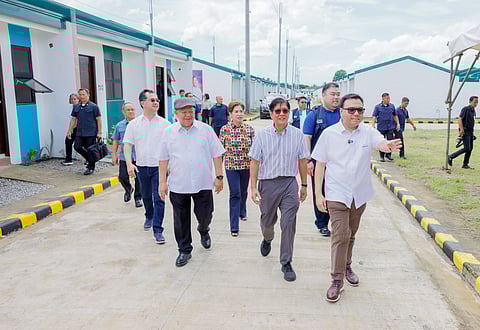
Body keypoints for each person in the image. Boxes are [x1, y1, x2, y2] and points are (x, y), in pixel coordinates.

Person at [312, 93, 402, 303]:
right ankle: (336, 280)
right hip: (336, 193)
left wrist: (387, 146)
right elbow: (320, 165)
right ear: (341, 111)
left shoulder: (367, 132)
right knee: (340, 235)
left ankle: (347, 265)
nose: (356, 114)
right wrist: (318, 194)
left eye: (360, 110)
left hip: (359, 194)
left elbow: (380, 142)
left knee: (351, 234)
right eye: (351, 110)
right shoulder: (329, 134)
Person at [159, 98, 225, 267]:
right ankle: (184, 250)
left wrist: (219, 177)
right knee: (180, 220)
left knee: (205, 214)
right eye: (183, 112)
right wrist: (162, 182)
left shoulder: (206, 130)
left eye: (190, 111)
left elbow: (217, 154)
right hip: (178, 184)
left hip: (202, 183)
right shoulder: (169, 132)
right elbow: (163, 159)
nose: (188, 115)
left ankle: (204, 230)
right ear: (176, 114)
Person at [249, 97, 309, 282]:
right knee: (268, 221)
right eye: (278, 111)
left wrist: (304, 185)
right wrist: (253, 188)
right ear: (272, 114)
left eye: (285, 111)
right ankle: (267, 239)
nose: (282, 114)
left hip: (290, 184)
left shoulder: (297, 134)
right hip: (268, 184)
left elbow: (302, 160)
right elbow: (255, 161)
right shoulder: (262, 135)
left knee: (288, 223)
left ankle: (286, 262)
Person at [124, 89, 169, 244]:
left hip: (159, 168)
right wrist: (129, 163)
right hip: (142, 167)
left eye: (157, 100)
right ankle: (149, 215)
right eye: (152, 100)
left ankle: (158, 229)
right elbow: (128, 145)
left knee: (159, 198)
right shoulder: (134, 124)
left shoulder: (165, 124)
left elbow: (170, 147)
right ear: (143, 103)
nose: (156, 102)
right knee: (145, 196)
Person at [303, 82, 341, 237]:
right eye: (332, 94)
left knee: (338, 193)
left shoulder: (342, 114)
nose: (336, 97)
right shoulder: (314, 115)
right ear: (323, 96)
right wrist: (309, 160)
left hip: (339, 163)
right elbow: (307, 138)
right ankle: (322, 222)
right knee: (321, 191)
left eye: (338, 94)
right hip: (320, 163)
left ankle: (337, 221)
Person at [219, 101, 255, 237]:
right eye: (236, 111)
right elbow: (220, 150)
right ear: (230, 114)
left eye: (241, 111)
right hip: (231, 166)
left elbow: (255, 150)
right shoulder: (224, 130)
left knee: (243, 192)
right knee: (235, 193)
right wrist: (219, 172)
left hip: (246, 166)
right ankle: (234, 226)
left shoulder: (249, 129)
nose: (239, 114)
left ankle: (242, 211)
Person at [111, 102, 142, 208]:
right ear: (123, 112)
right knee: (122, 177)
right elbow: (115, 141)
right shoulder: (119, 126)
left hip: (139, 156)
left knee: (139, 179)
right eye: (128, 110)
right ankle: (128, 189)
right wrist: (114, 154)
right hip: (125, 157)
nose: (131, 112)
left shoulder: (140, 124)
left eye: (132, 109)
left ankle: (138, 198)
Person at [67, 88, 103, 175]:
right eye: (80, 94)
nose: (82, 96)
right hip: (80, 132)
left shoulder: (94, 107)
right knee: (77, 147)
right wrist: (69, 131)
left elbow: (98, 119)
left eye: (83, 94)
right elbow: (73, 119)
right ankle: (91, 159)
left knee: (90, 149)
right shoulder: (77, 107)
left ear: (88, 95)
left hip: (91, 132)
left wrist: (100, 132)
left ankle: (91, 167)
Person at [448, 96, 478, 169]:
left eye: (477, 102)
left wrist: (472, 134)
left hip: (470, 132)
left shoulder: (473, 110)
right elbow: (460, 119)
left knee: (470, 148)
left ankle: (465, 164)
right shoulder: (465, 109)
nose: (476, 103)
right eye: (475, 102)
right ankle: (450, 156)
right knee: (467, 148)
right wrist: (461, 129)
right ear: (470, 101)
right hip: (465, 131)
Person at [371, 92, 400, 162]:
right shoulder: (378, 107)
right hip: (381, 127)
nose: (389, 99)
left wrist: (398, 123)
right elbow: (374, 116)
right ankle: (381, 156)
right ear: (383, 98)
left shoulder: (392, 106)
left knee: (390, 141)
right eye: (387, 98)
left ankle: (389, 155)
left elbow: (395, 115)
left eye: (389, 98)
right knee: (382, 141)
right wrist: (373, 124)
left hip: (390, 127)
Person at [62, 93, 79, 166]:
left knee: (82, 145)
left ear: (78, 99)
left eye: (75, 99)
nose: (73, 100)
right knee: (68, 142)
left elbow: (76, 120)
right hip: (73, 128)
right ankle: (68, 159)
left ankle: (89, 159)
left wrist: (71, 130)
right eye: (72, 99)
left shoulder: (78, 107)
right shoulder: (72, 107)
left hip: (78, 128)